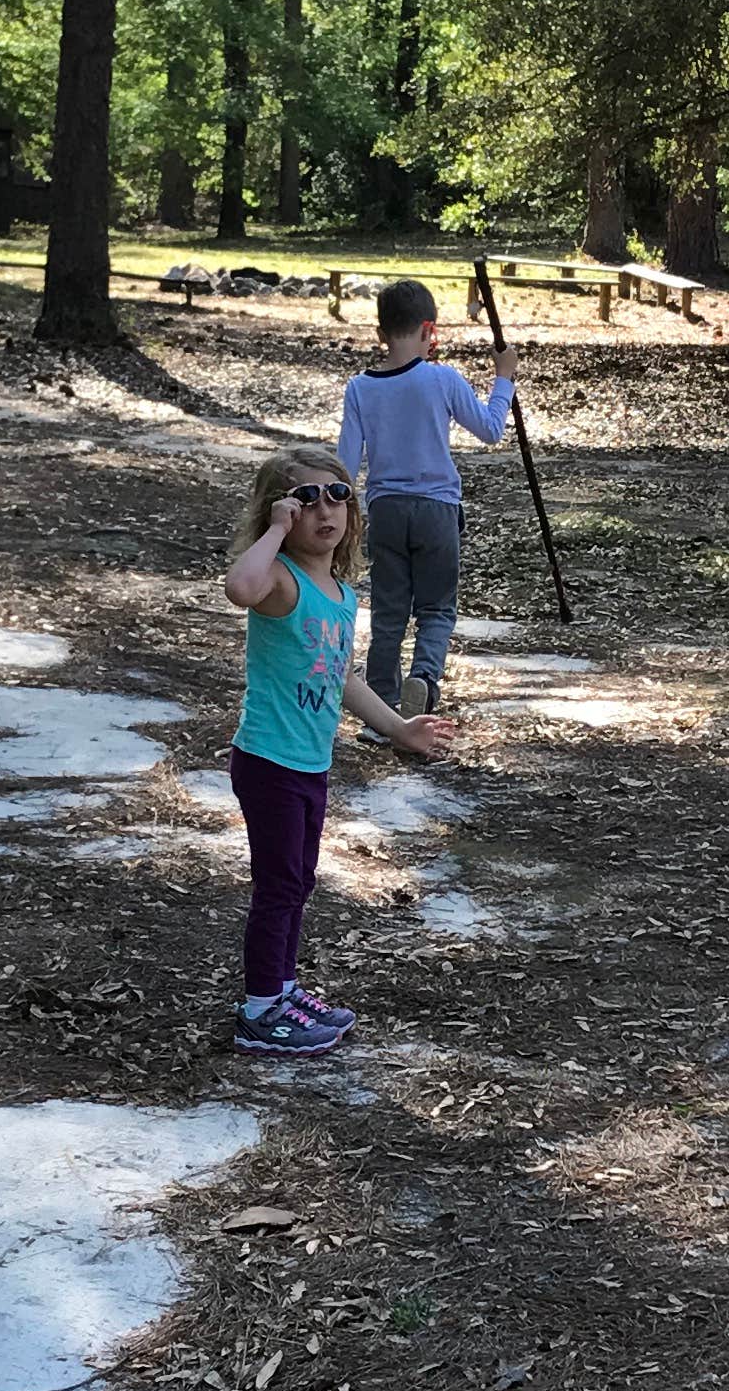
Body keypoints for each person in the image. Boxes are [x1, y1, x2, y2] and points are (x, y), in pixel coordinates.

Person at [221, 448, 455, 1058]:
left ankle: (283, 988)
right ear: (282, 512)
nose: (325, 509)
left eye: (337, 495)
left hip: (308, 763)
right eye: (305, 500)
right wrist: (274, 529)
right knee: (278, 885)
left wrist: (400, 729)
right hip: (270, 760)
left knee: (297, 882)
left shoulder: (340, 593)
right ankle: (259, 1011)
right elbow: (239, 587)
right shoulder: (280, 582)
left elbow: (340, 677)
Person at [335, 277, 517, 713]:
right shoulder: (442, 380)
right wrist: (503, 378)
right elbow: (491, 429)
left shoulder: (360, 388)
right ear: (428, 330)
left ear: (380, 335)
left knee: (388, 612)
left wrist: (342, 514)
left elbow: (345, 461)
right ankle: (424, 679)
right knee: (436, 606)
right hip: (438, 509)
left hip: (387, 510)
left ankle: (380, 703)